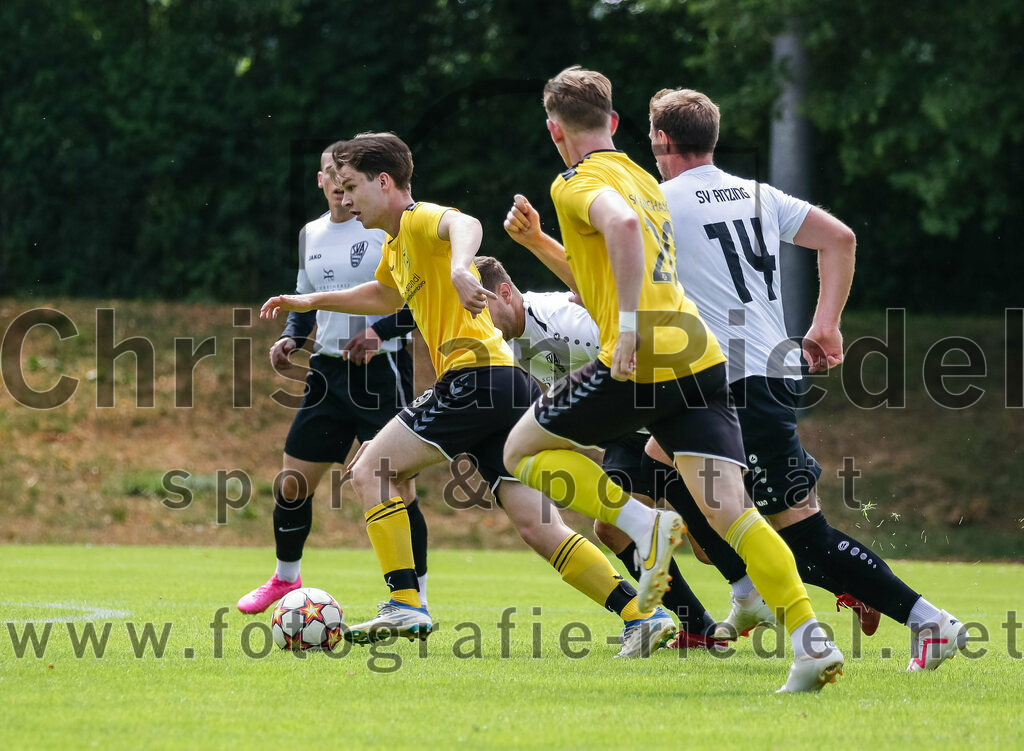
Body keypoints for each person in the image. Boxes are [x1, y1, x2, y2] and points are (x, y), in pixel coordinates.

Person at [260, 132, 677, 658]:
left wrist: (461, 266)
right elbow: (383, 295)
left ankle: (405, 600)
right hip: (504, 383)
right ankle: (642, 613)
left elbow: (466, 223)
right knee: (537, 525)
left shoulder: (417, 220)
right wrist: (311, 300)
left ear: (384, 182)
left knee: (370, 470)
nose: (344, 198)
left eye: (351, 187)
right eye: (338, 188)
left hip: (474, 377)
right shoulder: (395, 246)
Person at [501, 66, 843, 692]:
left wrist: (629, 328)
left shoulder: (575, 182)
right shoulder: (643, 177)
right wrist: (546, 248)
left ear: (555, 131)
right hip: (701, 356)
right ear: (613, 122)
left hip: (643, 361)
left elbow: (622, 229)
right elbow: (609, 270)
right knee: (733, 512)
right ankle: (810, 641)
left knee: (520, 451)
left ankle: (643, 525)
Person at [644, 87, 967, 671]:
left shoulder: (658, 202)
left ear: (662, 139)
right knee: (657, 465)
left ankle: (927, 620)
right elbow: (840, 238)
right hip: (760, 372)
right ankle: (750, 588)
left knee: (801, 532)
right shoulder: (758, 194)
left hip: (736, 382)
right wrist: (826, 325)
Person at [476, 254, 725, 650]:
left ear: (505, 293)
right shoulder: (508, 344)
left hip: (667, 418)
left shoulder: (562, 321)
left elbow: (645, 345)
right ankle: (699, 628)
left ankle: (805, 574)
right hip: (629, 432)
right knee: (611, 527)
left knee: (711, 549)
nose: (475, 321)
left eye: (479, 308)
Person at [236, 143, 428, 616]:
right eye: (332, 176)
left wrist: (379, 333)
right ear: (321, 180)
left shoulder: (385, 228)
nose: (341, 186)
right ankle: (285, 578)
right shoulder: (311, 234)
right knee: (293, 483)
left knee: (398, 487)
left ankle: (416, 596)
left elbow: (418, 299)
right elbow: (307, 297)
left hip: (381, 373)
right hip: (326, 374)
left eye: (348, 178)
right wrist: (291, 337)